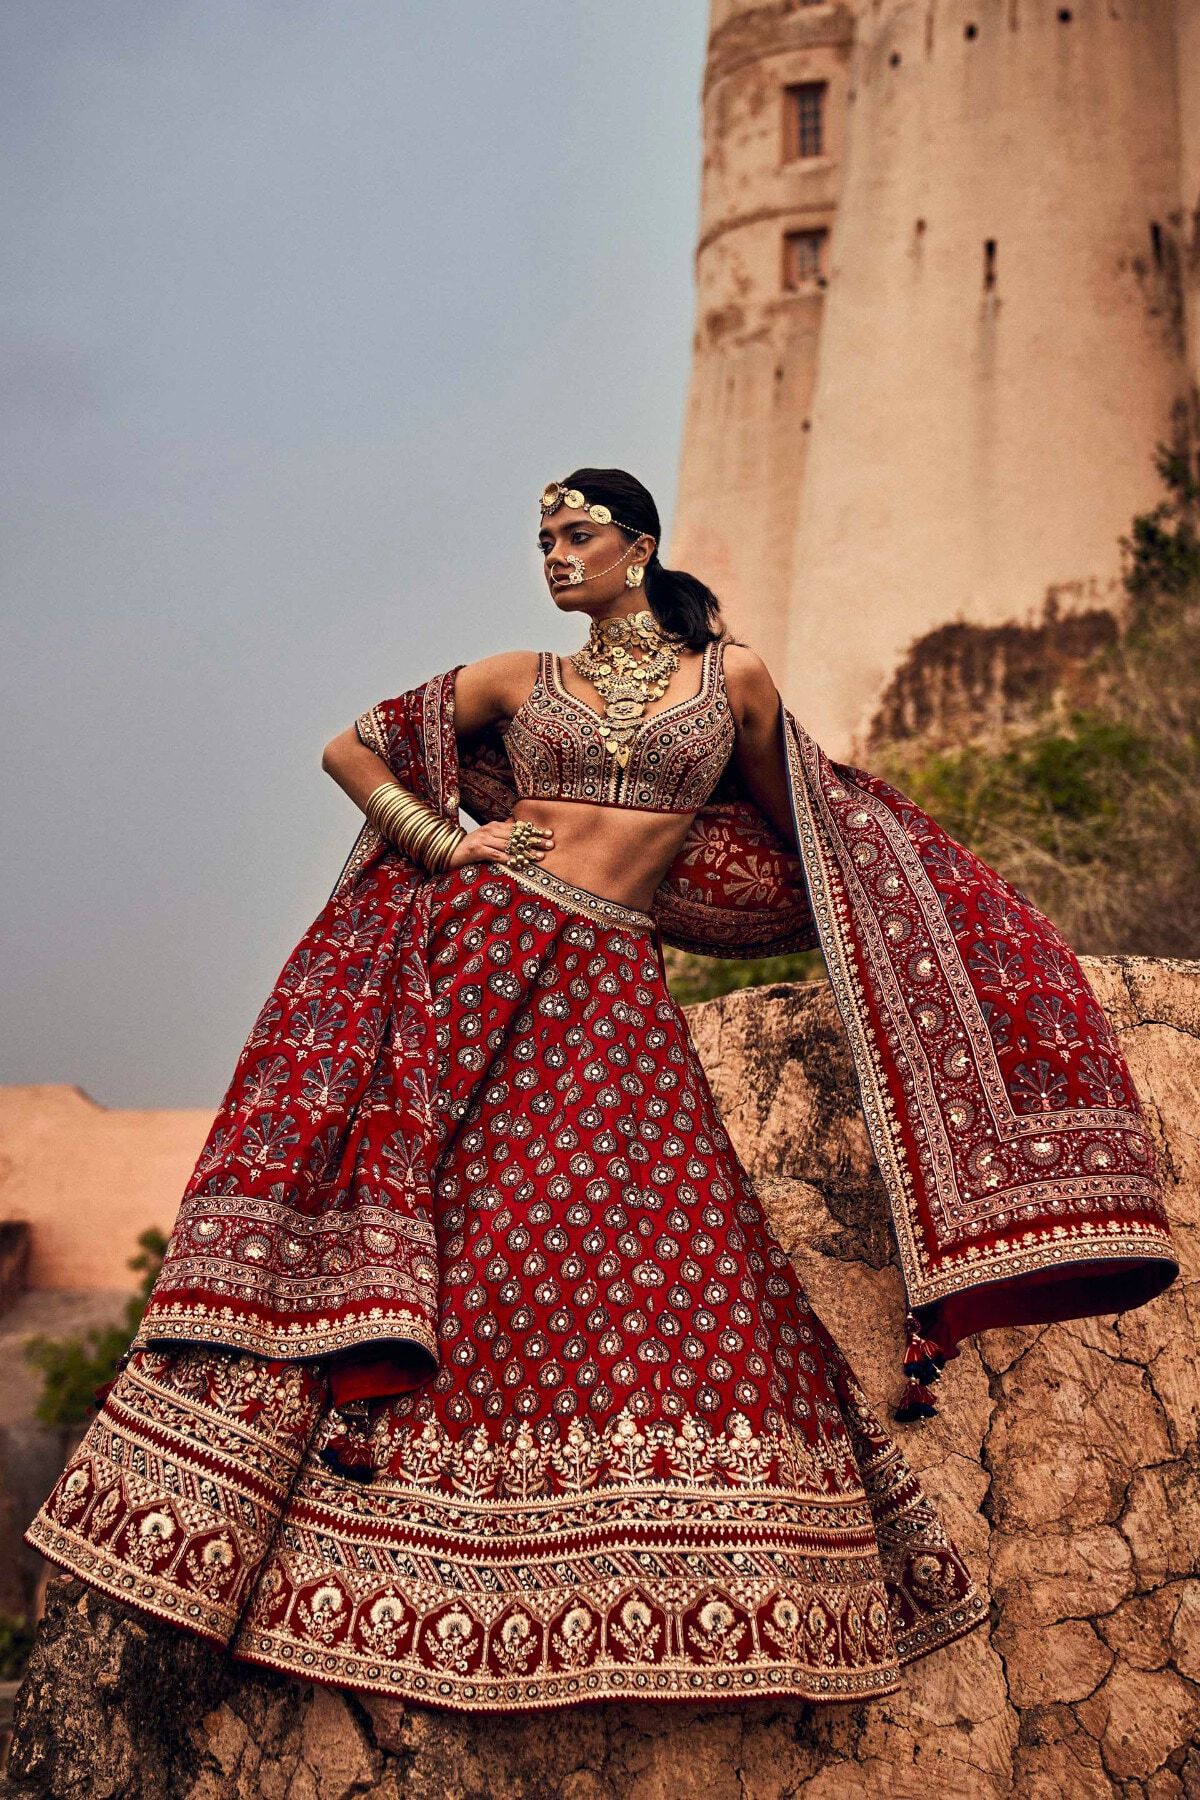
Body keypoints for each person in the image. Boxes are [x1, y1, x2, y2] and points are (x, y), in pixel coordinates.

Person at [27, 468, 1173, 1713]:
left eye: (575, 535)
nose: (553, 556)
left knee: (663, 1233)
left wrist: (931, 935)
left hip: (612, 966)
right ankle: (316, 1511)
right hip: (477, 943)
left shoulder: (729, 681)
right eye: (541, 540)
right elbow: (348, 746)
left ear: (639, 546)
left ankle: (684, 1557)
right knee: (434, 1215)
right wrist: (441, 838)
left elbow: (820, 832)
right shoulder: (521, 675)